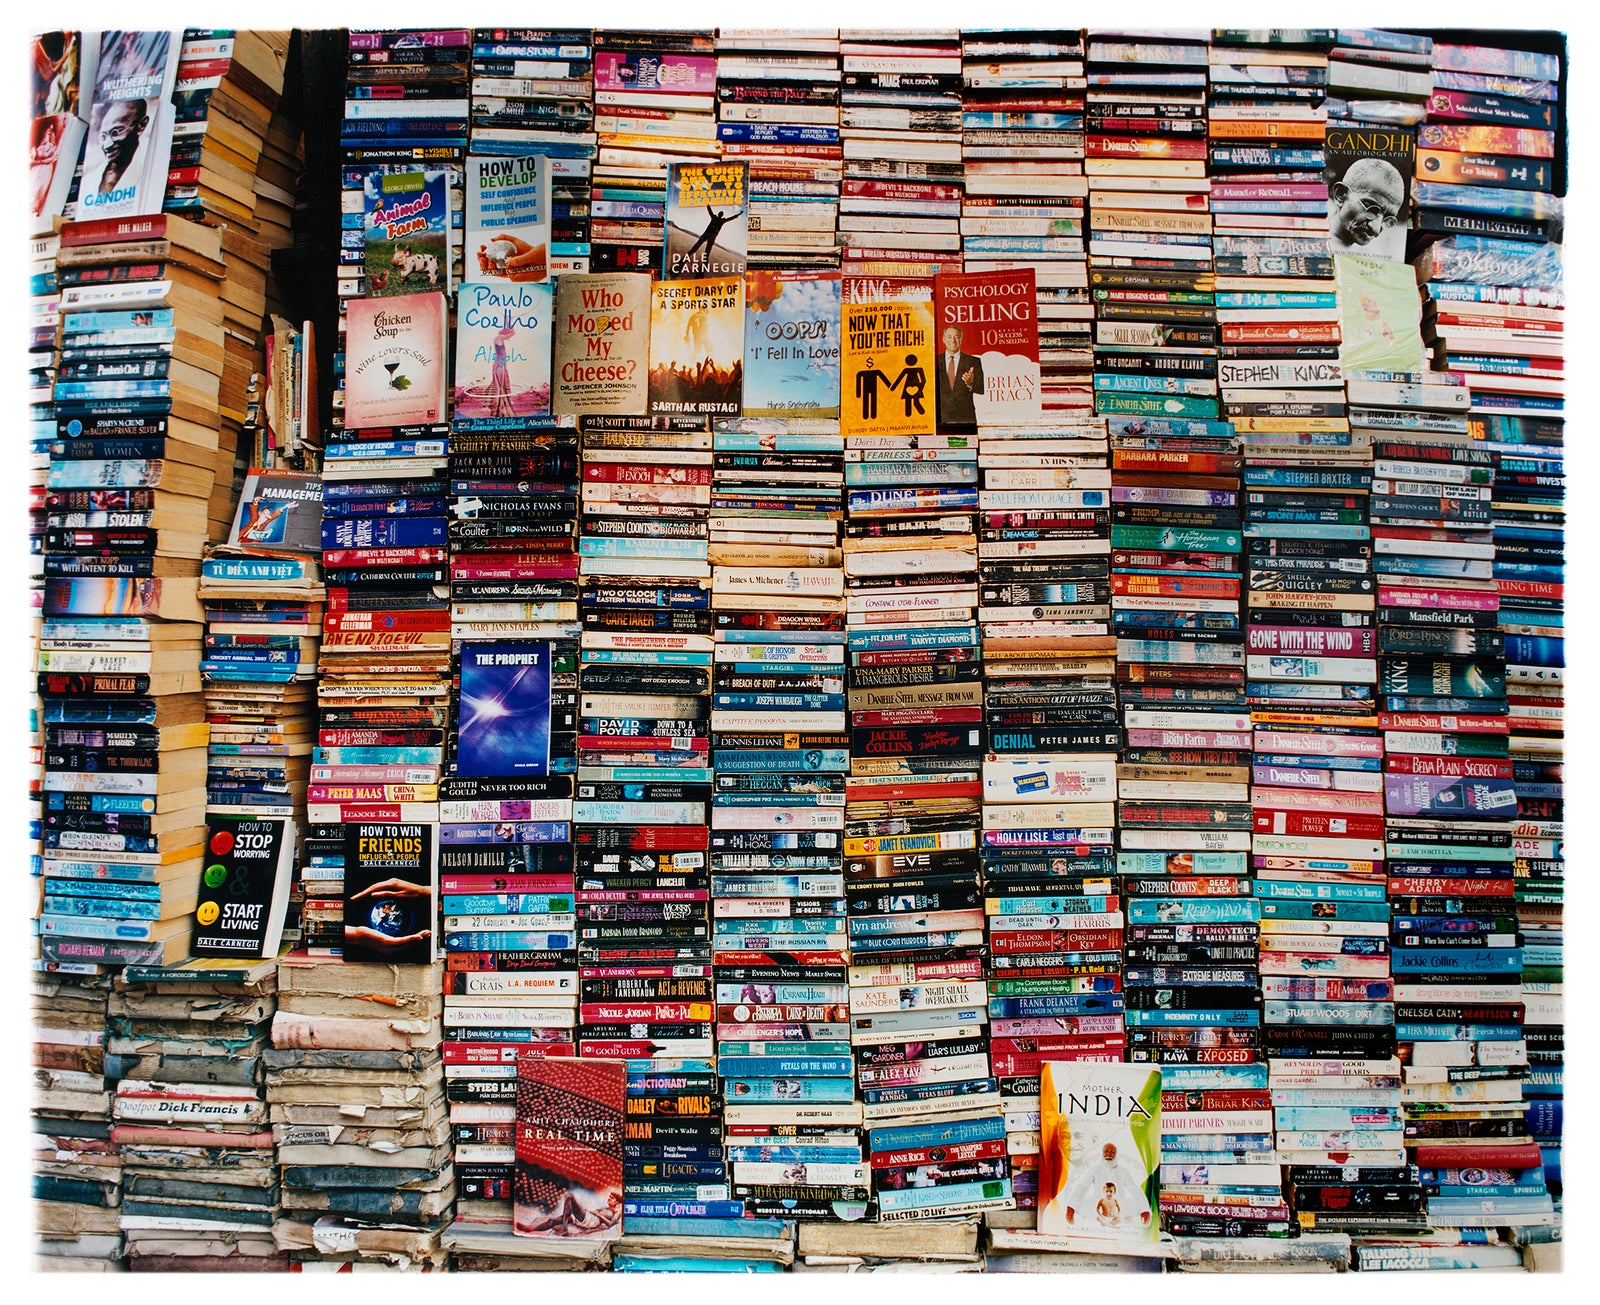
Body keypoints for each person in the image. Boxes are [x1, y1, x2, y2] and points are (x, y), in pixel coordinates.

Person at [1328, 157, 1406, 256]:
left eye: (1387, 219)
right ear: (1341, 194)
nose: (1376, 229)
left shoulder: (1372, 261)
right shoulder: (1308, 237)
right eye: (1372, 209)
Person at [83, 97, 150, 199]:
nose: (107, 145)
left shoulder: (150, 170)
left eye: (115, 133)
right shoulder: (89, 180)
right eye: (103, 136)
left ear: (141, 125)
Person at [936, 325, 983, 426]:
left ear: (961, 340)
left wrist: (970, 383)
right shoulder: (933, 361)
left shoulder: (974, 361)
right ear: (943, 339)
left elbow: (981, 389)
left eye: (956, 337)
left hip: (965, 418)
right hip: (940, 419)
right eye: (949, 337)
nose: (953, 340)